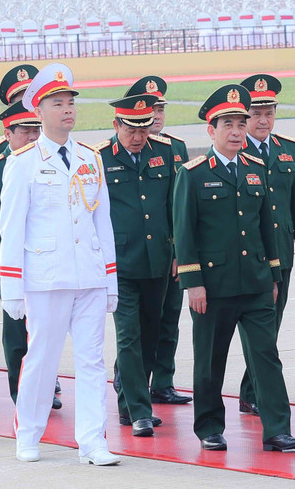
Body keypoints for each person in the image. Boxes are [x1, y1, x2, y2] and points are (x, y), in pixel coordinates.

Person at [0, 63, 120, 466]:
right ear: (39, 110)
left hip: (88, 274)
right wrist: (12, 287)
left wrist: (110, 279)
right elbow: (11, 228)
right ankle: (28, 434)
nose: (67, 109)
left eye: (70, 102)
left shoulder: (90, 157)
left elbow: (102, 220)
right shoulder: (22, 161)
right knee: (41, 357)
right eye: (58, 103)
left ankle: (92, 440)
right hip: (45, 278)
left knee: (91, 359)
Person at [174, 84, 295, 452]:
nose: (236, 131)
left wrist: (275, 276)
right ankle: (210, 428)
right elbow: (183, 232)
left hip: (257, 283)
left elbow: (268, 225)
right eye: (227, 124)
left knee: (266, 357)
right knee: (210, 361)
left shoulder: (256, 169)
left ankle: (277, 429)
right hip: (213, 288)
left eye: (240, 124)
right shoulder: (194, 173)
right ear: (210, 130)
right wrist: (193, 283)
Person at [95, 94, 175, 436]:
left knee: (150, 337)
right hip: (120, 264)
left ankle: (129, 404)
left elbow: (174, 206)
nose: (139, 137)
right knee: (128, 337)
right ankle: (140, 411)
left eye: (144, 129)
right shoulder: (99, 158)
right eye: (131, 129)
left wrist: (177, 254)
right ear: (116, 126)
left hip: (157, 259)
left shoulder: (165, 153)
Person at [235, 74, 295, 416]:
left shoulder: (287, 148)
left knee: (272, 327)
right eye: (256, 113)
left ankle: (251, 391)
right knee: (261, 329)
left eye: (269, 111)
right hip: (251, 257)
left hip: (281, 252)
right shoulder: (235, 151)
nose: (263, 119)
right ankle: (255, 393)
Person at [0, 100, 60, 411]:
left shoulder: (52, 160)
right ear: (8, 134)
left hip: (48, 257)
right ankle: (21, 391)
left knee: (48, 327)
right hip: (11, 261)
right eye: (25, 131)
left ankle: (45, 385)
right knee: (17, 330)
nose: (31, 137)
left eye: (35, 130)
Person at [127, 75, 193, 406]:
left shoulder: (175, 148)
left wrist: (180, 252)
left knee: (168, 319)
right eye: (151, 109)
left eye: (160, 108)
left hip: (169, 251)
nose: (157, 114)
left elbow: (178, 206)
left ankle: (163, 380)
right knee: (135, 327)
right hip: (135, 257)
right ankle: (130, 380)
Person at [0, 64, 38, 157]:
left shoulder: (50, 137)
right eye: (22, 101)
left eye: (30, 99)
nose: (26, 106)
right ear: (10, 106)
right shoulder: (0, 148)